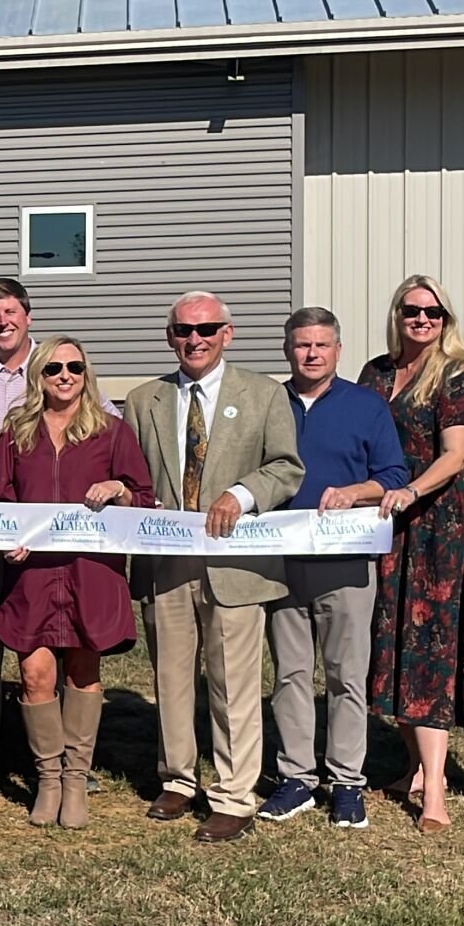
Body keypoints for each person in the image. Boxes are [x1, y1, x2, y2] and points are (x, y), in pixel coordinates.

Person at [125, 291, 303, 843]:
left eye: (205, 329)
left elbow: (286, 467)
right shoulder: (143, 399)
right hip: (168, 561)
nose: (194, 340)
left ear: (227, 333)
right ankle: (178, 779)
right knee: (171, 677)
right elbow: (132, 474)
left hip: (236, 563)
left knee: (233, 684)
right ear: (169, 336)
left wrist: (243, 495)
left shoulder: (265, 394)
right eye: (183, 331)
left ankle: (232, 794)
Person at [0, 278, 117, 781]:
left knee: (63, 647)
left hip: (58, 547)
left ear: (28, 316)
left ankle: (66, 761)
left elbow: (100, 430)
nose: (3, 322)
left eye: (11, 312)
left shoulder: (59, 366)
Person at [0, 336, 152, 829]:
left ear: (86, 373)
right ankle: (48, 779)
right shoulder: (17, 432)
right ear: (39, 375)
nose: (64, 375)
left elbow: (144, 498)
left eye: (74, 367)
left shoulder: (112, 431)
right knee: (36, 675)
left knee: (83, 671)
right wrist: (5, 535)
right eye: (54, 367)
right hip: (32, 574)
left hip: (90, 573)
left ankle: (76, 778)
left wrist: (119, 488)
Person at [258, 308, 407, 829]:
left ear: (338, 351)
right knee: (291, 674)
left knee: (346, 676)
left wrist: (356, 492)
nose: (312, 354)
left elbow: (392, 473)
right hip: (280, 561)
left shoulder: (366, 406)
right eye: (302, 345)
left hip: (346, 562)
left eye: (322, 345)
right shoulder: (268, 402)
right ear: (287, 349)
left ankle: (346, 782)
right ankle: (296, 777)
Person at [361, 274, 464, 834]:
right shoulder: (377, 372)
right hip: (386, 521)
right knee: (391, 638)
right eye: (413, 310)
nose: (422, 319)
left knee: (430, 647)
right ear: (398, 314)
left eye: (433, 312)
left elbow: (455, 455)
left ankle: (435, 790)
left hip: (440, 522)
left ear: (446, 319)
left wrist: (412, 491)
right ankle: (414, 767)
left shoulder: (460, 374)